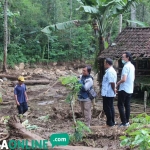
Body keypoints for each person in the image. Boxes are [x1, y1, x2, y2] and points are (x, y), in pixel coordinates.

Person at [117, 52, 135, 127]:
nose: (122, 59)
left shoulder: (126, 67)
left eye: (123, 57)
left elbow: (124, 79)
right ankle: (127, 121)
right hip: (130, 88)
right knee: (127, 105)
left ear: (127, 58)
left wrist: (118, 83)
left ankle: (124, 122)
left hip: (124, 89)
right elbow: (133, 78)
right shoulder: (132, 66)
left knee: (120, 105)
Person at [101, 58, 117, 127]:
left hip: (107, 92)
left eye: (105, 63)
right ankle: (112, 121)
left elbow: (112, 82)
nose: (104, 65)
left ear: (107, 64)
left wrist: (114, 89)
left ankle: (110, 122)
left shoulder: (110, 71)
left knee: (107, 108)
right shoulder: (111, 70)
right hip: (109, 92)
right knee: (110, 107)